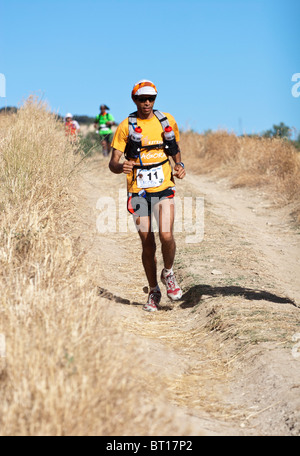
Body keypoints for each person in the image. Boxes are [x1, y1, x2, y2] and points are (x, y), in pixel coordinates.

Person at [109, 80, 186, 312]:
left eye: (151, 98)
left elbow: (175, 150)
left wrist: (180, 165)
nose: (147, 103)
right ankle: (153, 291)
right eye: (142, 99)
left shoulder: (166, 121)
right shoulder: (126, 126)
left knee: (166, 235)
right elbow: (113, 162)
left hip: (163, 187)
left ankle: (168, 273)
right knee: (148, 242)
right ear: (135, 100)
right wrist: (120, 166)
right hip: (138, 191)